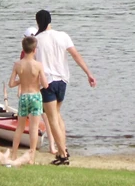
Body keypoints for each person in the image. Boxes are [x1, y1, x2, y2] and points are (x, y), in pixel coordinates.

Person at [33, 10, 96, 165]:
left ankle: (62, 154)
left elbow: (33, 63)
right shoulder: (63, 35)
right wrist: (88, 73)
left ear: (38, 22)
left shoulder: (37, 40)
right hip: (63, 81)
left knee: (52, 118)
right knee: (58, 115)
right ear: (50, 21)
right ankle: (64, 148)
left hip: (47, 82)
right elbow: (75, 55)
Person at [8, 35, 48, 165]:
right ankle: (31, 156)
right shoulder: (38, 65)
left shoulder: (17, 64)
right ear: (34, 50)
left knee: (20, 127)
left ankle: (14, 154)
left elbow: (11, 84)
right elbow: (45, 84)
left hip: (24, 96)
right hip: (35, 96)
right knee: (34, 127)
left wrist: (22, 79)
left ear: (23, 49)